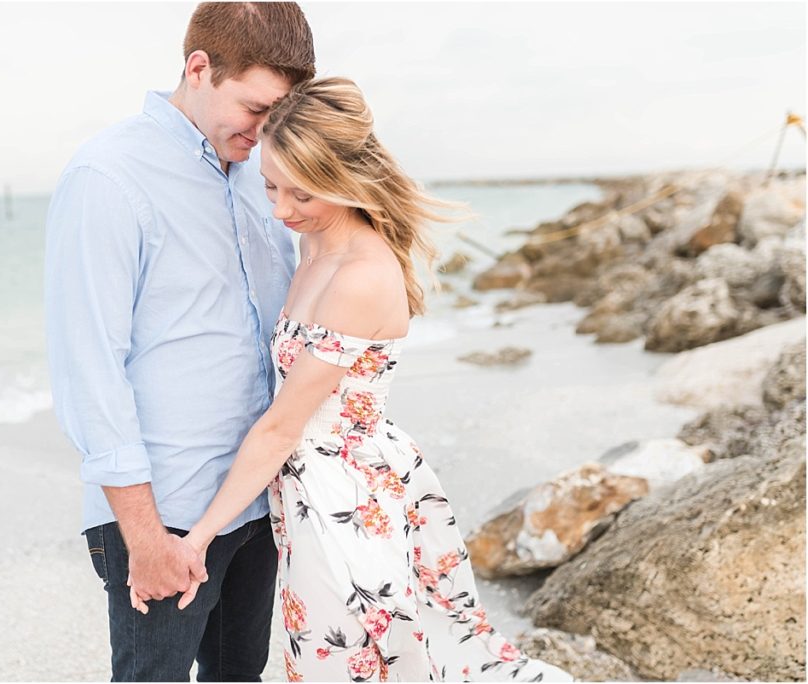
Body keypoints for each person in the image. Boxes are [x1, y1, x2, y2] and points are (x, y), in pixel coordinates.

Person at [146, 78, 575, 682]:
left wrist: (197, 539)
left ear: (346, 180)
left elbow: (280, 428)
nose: (281, 209)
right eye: (270, 185)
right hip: (310, 489)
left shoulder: (360, 275)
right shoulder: (315, 245)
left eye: (303, 193)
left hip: (344, 496)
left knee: (346, 663)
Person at [43, 3, 315, 681]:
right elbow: (90, 368)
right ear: (199, 69)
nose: (265, 130)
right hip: (163, 516)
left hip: (256, 504)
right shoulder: (109, 176)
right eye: (256, 107)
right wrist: (145, 536)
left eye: (279, 115)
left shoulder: (264, 175)